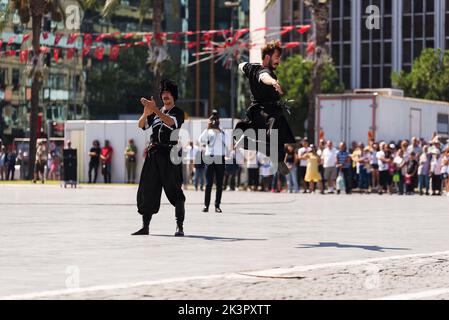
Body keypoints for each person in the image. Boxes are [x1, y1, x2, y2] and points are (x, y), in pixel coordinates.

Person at [133, 79, 186, 237]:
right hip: (154, 154)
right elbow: (141, 125)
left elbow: (170, 122)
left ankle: (179, 226)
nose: (165, 96)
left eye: (168, 93)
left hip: (170, 154)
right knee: (147, 190)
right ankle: (145, 226)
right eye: (163, 93)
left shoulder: (178, 112)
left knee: (174, 190)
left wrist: (154, 109)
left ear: (174, 96)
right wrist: (146, 112)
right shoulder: (155, 112)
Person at [235, 40, 296, 176]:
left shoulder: (252, 68)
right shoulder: (265, 72)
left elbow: (241, 65)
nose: (278, 61)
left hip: (256, 111)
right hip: (267, 113)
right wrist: (274, 82)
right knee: (275, 141)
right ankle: (274, 155)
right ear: (267, 57)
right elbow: (264, 77)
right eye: (276, 57)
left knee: (280, 143)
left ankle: (274, 156)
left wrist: (247, 65)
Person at [199, 110, 228, 213]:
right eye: (213, 119)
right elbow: (201, 140)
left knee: (219, 183)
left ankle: (217, 205)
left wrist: (219, 131)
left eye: (216, 119)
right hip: (209, 157)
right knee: (208, 183)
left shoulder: (222, 130)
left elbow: (228, 142)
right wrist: (207, 128)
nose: (215, 121)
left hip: (220, 157)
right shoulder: (208, 130)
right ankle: (206, 205)